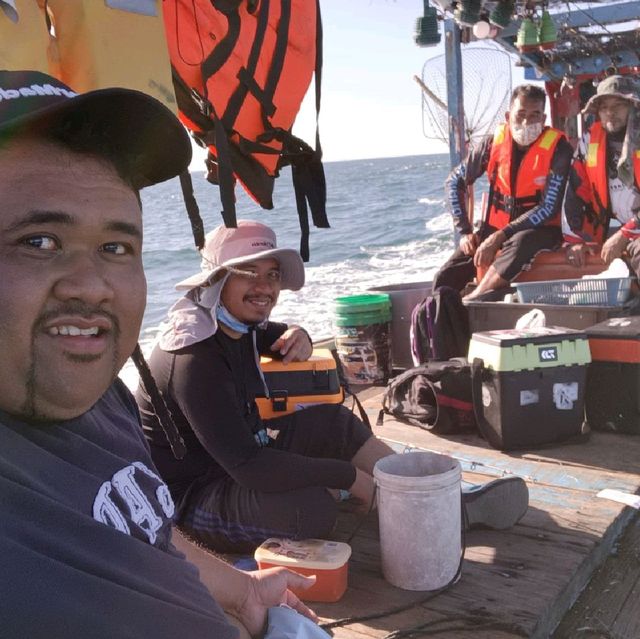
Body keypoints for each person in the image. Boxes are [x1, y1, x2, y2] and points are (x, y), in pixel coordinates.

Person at [0, 69, 317, 639]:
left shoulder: (95, 387)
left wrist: (244, 594)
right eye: (38, 241)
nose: (93, 286)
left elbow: (139, 520)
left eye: (116, 247)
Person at [136, 221, 530, 555]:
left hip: (240, 465)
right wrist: (347, 478)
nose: (264, 287)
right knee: (312, 512)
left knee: (331, 422)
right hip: (191, 500)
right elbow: (253, 469)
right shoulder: (192, 359)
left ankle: (431, 498)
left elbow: (273, 332)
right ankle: (406, 505)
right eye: (247, 272)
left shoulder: (233, 324)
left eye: (272, 275)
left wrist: (300, 333)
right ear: (216, 280)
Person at [432, 84, 574, 300]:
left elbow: (548, 206)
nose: (527, 122)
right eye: (521, 114)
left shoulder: (559, 148)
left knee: (521, 242)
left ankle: (476, 297)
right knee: (446, 277)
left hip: (539, 230)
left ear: (543, 119)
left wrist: (501, 236)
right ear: (509, 116)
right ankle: (438, 320)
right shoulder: (491, 143)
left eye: (535, 115)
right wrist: (464, 231)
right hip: (495, 228)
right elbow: (455, 181)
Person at [562, 75, 640, 275]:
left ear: (633, 105)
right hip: (625, 228)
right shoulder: (589, 140)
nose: (610, 113)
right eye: (604, 107)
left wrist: (625, 234)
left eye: (618, 105)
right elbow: (574, 191)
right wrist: (574, 240)